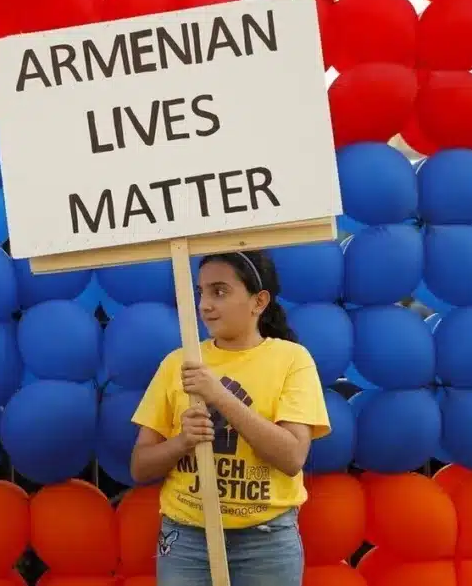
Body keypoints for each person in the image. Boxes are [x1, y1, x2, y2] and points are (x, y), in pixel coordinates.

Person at [128, 250, 331, 586]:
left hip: (265, 541)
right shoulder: (178, 363)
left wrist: (219, 395)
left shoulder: (292, 359)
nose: (205, 305)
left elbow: (292, 457)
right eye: (201, 292)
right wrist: (182, 442)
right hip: (187, 538)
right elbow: (140, 467)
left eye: (219, 292)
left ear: (258, 302)